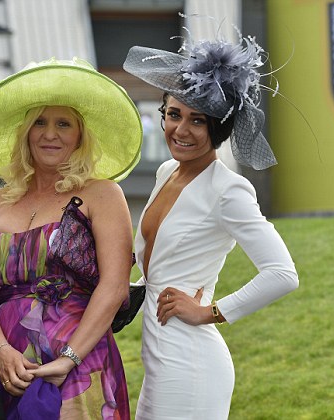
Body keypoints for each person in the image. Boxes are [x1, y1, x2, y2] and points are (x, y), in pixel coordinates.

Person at [122, 30, 300, 419]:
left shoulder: (229, 190)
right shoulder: (167, 171)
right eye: (173, 115)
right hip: (158, 356)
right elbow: (159, 261)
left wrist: (211, 311)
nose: (180, 130)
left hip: (191, 363)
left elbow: (282, 274)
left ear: (217, 127)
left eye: (197, 120)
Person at [0, 57, 143, 419]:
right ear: (25, 131)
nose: (50, 133)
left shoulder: (102, 194)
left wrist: (69, 357)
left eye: (63, 123)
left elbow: (115, 286)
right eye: (39, 122)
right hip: (7, 368)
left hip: (79, 366)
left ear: (80, 134)